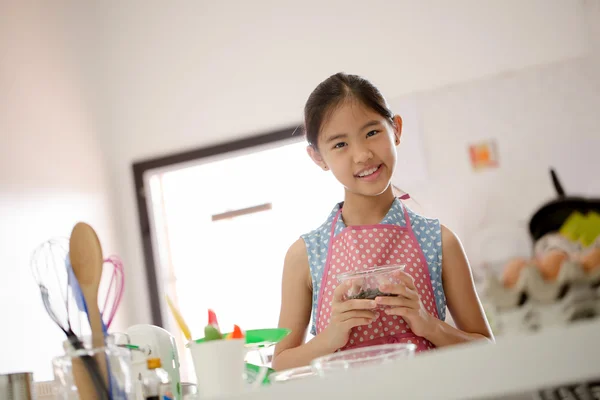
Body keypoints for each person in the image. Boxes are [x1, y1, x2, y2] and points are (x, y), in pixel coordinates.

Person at [271, 73, 494, 371]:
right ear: (318, 158)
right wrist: (331, 337)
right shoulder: (304, 255)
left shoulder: (441, 241)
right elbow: (281, 364)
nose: (362, 154)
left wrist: (427, 325)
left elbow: (487, 350)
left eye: (372, 133)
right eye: (340, 145)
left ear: (396, 130)